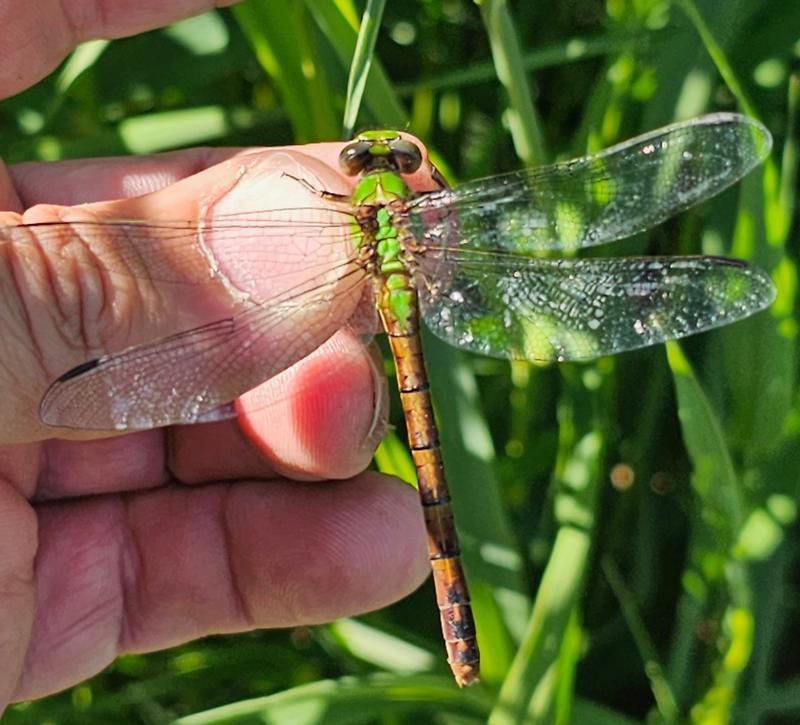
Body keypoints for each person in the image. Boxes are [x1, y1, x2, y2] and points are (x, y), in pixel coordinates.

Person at [0, 0, 430, 710]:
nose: (379, 164)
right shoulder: (399, 210)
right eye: (373, 160)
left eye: (386, 161)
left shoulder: (337, 201)